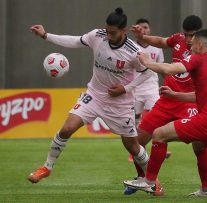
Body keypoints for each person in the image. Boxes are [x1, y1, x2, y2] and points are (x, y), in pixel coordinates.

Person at [27, 8, 153, 188]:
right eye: (107, 30)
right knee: (66, 129)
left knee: (133, 147)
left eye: (113, 32)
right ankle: (46, 167)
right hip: (94, 95)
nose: (108, 35)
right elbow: (75, 41)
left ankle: (152, 180)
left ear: (124, 31)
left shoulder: (133, 51)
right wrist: (46, 35)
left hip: (120, 104)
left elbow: (147, 74)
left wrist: (125, 88)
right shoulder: (97, 36)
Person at [124, 15, 207, 196]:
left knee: (159, 135)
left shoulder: (198, 58)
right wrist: (175, 95)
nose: (190, 44)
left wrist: (147, 62)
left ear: (199, 43)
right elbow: (204, 95)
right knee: (200, 146)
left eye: (194, 41)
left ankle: (150, 182)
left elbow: (168, 69)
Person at [127, 18, 164, 162]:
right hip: (136, 87)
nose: (144, 29)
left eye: (146, 27)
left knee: (155, 118)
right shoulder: (131, 47)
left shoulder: (157, 48)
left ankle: (158, 144)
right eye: (140, 27)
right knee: (135, 120)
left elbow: (161, 67)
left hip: (152, 88)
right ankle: (135, 150)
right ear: (136, 30)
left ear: (149, 30)